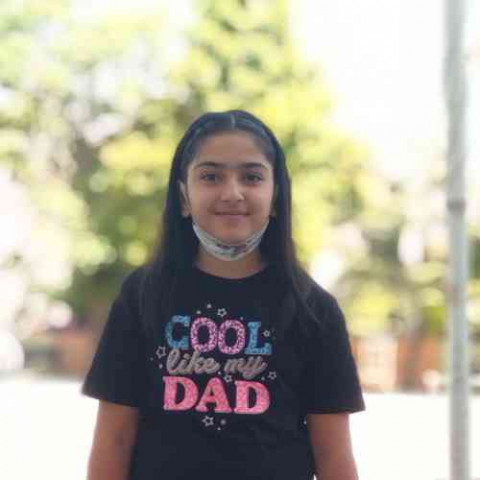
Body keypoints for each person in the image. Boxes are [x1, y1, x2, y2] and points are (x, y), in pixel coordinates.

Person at [82, 110, 365, 480]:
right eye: (211, 176)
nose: (232, 193)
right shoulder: (142, 295)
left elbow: (334, 457)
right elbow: (113, 442)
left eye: (252, 177)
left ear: (276, 196)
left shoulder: (315, 310)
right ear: (183, 197)